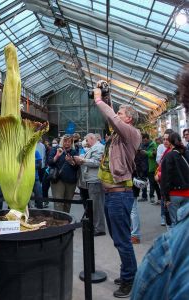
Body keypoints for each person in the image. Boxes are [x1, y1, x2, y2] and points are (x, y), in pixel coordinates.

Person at [94, 80, 141, 298]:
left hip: (120, 195)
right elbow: (111, 115)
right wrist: (106, 95)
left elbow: (112, 117)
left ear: (128, 119)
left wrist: (97, 100)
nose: (117, 115)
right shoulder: (118, 134)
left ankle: (130, 281)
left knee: (123, 240)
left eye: (121, 113)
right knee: (118, 238)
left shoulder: (131, 133)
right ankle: (127, 273)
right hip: (112, 195)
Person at [130, 201, 189, 300]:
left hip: (174, 196)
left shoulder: (170, 247)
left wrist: (165, 197)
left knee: (173, 221)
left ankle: (135, 235)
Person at [74, 133, 105, 236]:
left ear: (92, 138)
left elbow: (96, 162)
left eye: (87, 140)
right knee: (94, 205)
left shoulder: (98, 147)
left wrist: (83, 160)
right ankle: (96, 227)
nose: (86, 143)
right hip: (92, 180)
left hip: (95, 180)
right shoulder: (95, 147)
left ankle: (99, 228)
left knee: (97, 206)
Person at [160, 132, 189, 227]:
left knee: (175, 225)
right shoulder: (187, 153)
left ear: (170, 142)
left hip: (174, 194)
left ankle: (175, 242)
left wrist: (166, 197)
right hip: (187, 193)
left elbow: (165, 178)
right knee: (185, 226)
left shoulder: (168, 156)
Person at [48, 134, 79, 213]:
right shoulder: (55, 149)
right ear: (62, 141)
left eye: (69, 142)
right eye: (65, 141)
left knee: (68, 203)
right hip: (58, 179)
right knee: (58, 202)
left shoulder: (73, 151)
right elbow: (49, 162)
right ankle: (59, 221)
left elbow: (77, 167)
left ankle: (66, 221)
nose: (67, 143)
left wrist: (71, 162)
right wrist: (57, 156)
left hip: (71, 180)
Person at [141, 133, 161, 204]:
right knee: (153, 183)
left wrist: (146, 153)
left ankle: (152, 197)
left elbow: (153, 154)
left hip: (152, 167)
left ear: (146, 138)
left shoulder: (153, 144)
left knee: (153, 183)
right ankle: (158, 198)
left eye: (144, 139)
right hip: (146, 166)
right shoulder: (144, 144)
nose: (143, 141)